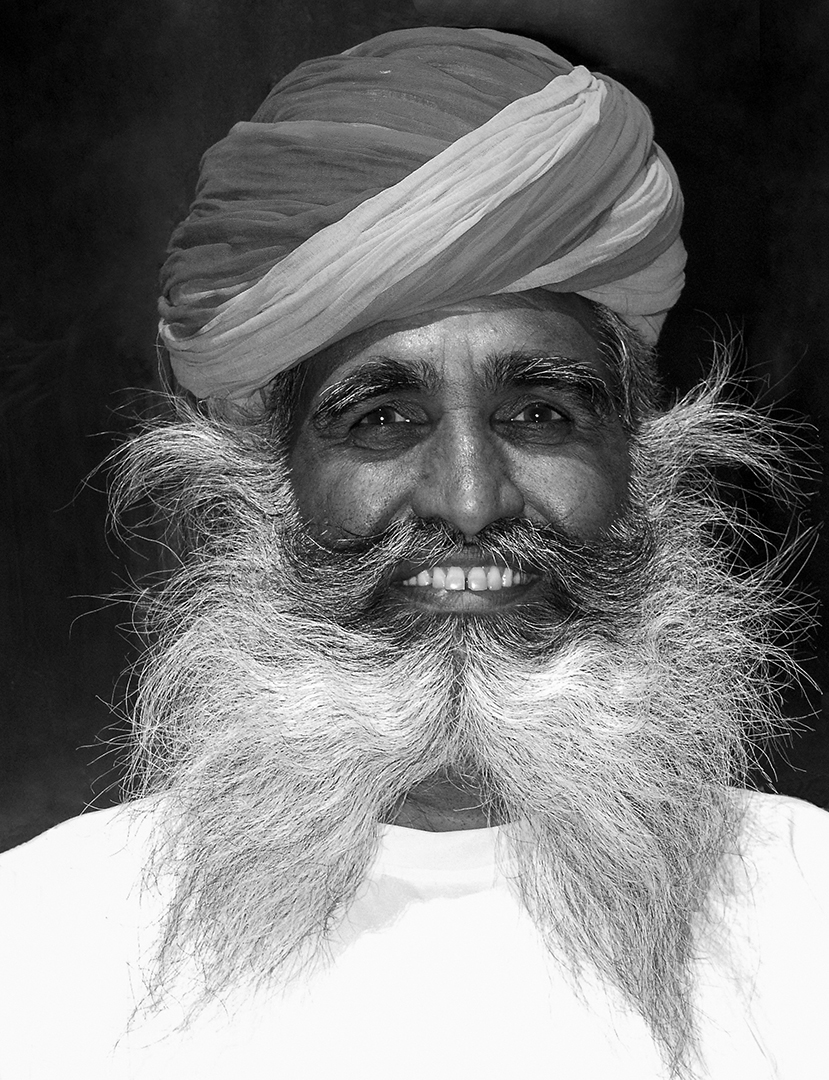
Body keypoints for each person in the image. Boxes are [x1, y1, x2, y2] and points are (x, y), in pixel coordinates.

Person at [0, 25, 826, 1080]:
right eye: (381, 419)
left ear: (642, 464)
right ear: (267, 480)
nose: (470, 502)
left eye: (541, 413)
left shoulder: (806, 918)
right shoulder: (42, 949)